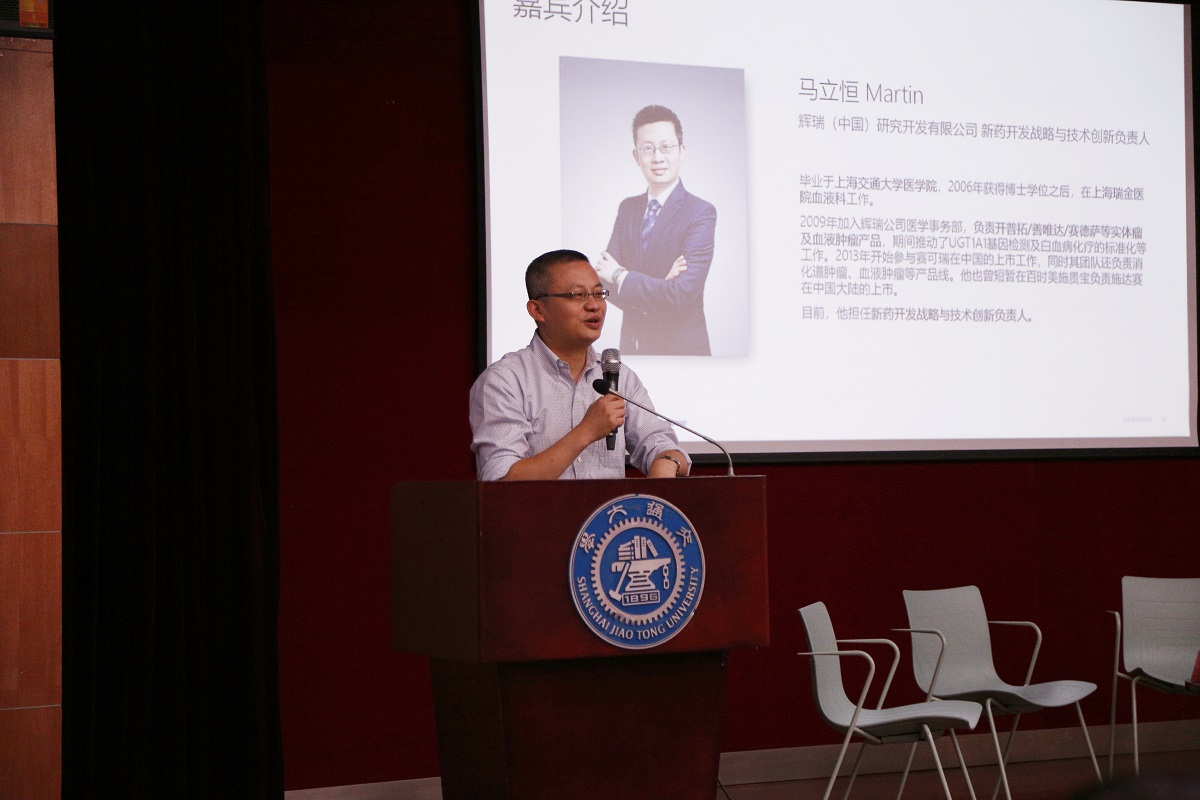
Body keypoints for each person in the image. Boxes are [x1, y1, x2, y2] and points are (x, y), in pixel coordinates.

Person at [470, 249, 690, 481]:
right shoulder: (505, 381)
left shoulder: (619, 376)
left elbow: (658, 443)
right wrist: (586, 431)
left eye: (598, 293)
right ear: (538, 310)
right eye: (578, 295)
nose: (594, 306)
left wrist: (668, 461)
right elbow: (501, 480)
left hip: (610, 507)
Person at [593, 104, 717, 356]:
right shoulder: (628, 208)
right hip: (633, 349)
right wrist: (661, 284)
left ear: (681, 151)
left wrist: (621, 274)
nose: (657, 157)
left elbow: (682, 294)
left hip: (682, 352)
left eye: (666, 147)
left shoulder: (700, 212)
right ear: (636, 156)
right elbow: (602, 285)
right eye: (647, 149)